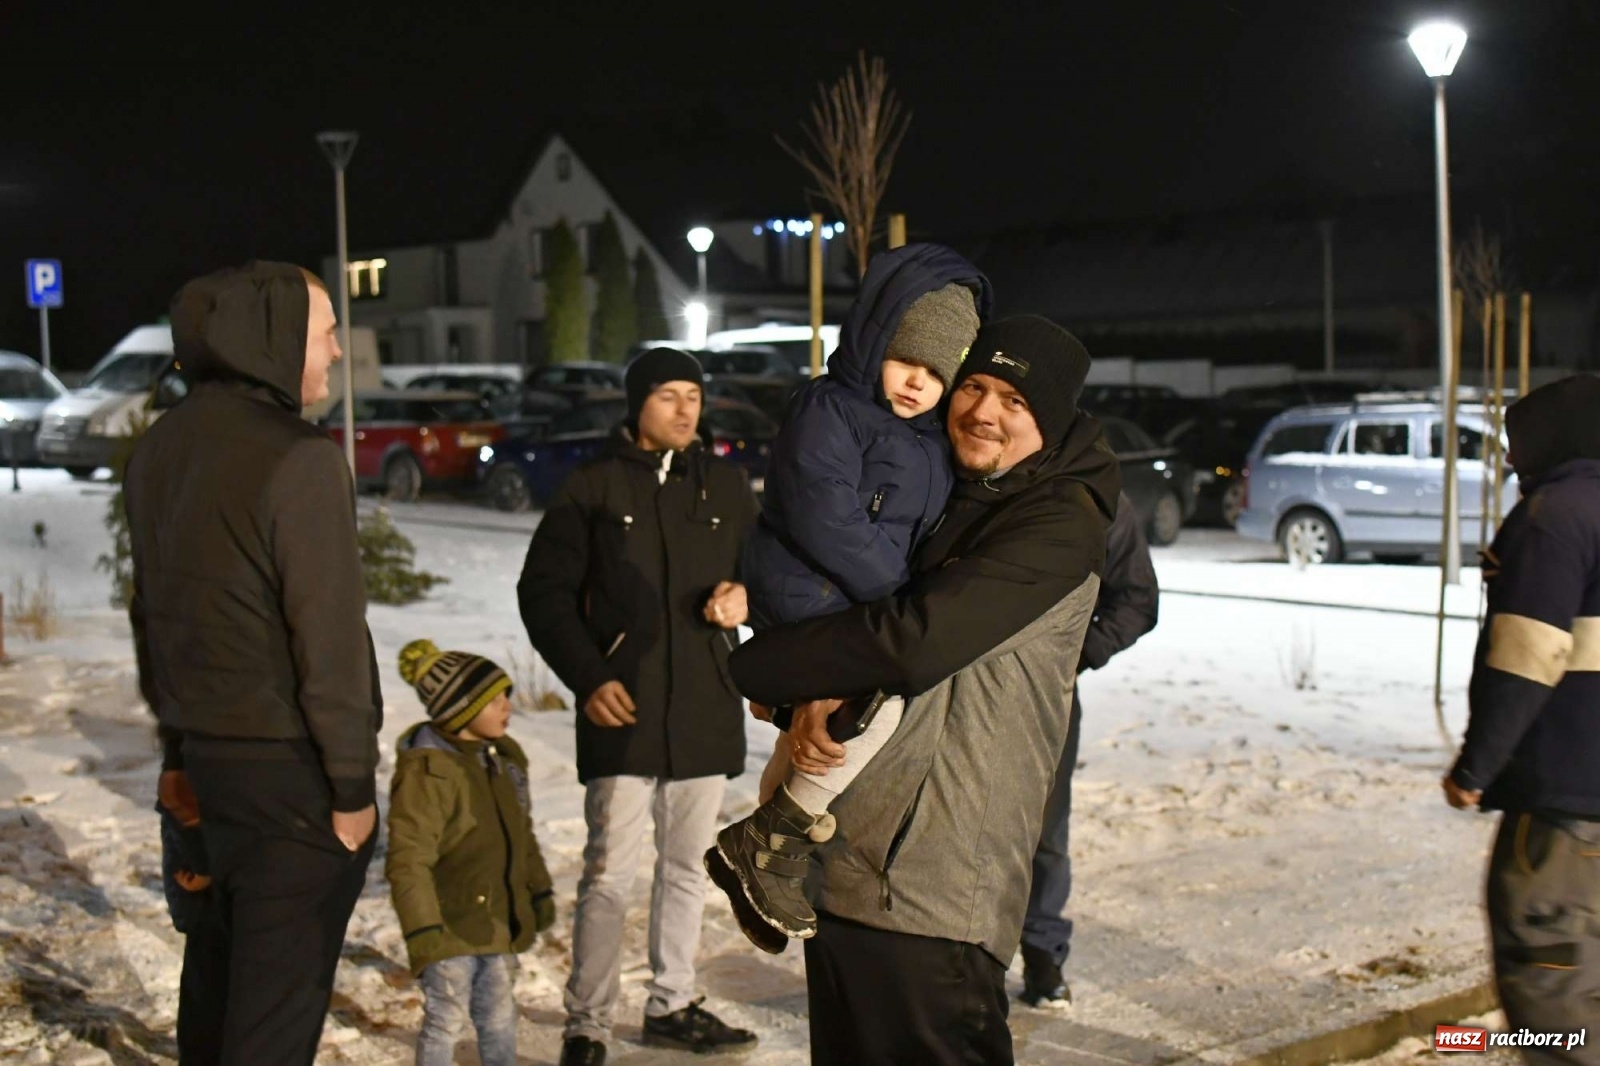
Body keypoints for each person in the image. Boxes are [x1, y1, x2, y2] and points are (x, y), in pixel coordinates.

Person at [731, 315, 1121, 1065]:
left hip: (935, 889)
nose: (983, 411)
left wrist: (763, 667)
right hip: (850, 869)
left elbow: (911, 639)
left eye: (1014, 400)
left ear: (1052, 418)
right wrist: (803, 699)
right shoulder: (951, 492)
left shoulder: (1057, 522)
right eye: (973, 386)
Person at [125, 261, 382, 1065]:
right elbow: (328, 637)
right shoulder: (299, 458)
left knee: (216, 990)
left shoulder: (161, 448)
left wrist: (176, 753)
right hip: (292, 780)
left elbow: (152, 616)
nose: (335, 351)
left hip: (205, 768)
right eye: (325, 332)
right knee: (272, 1019)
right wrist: (352, 789)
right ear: (274, 337)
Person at [707, 243, 990, 951]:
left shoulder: (927, 441)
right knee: (875, 705)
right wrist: (902, 597)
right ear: (875, 341)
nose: (919, 383)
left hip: (849, 597)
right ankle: (769, 842)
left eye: (938, 373)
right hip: (808, 589)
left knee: (821, 731)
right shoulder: (831, 407)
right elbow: (823, 514)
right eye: (907, 361)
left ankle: (765, 856)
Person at [517, 348, 761, 1066]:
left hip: (705, 705)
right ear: (637, 405)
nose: (685, 410)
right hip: (621, 707)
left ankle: (672, 1003)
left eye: (694, 396)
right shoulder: (592, 486)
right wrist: (589, 678)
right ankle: (587, 1023)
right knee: (608, 872)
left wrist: (747, 597)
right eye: (667, 396)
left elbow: (766, 571)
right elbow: (544, 593)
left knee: (687, 868)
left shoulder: (724, 485)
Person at [1443, 374, 1600, 1066]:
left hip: (1569, 793)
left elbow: (1528, 655)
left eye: (1518, 443)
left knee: (1549, 969)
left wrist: (1476, 766)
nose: (1510, 459)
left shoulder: (1554, 517)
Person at [386, 640, 556, 1066]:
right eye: (494, 700)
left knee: (499, 1015)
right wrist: (422, 927)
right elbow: (408, 859)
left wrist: (538, 890)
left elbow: (521, 834)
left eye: (506, 696)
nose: (508, 706)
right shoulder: (428, 774)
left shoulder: (502, 760)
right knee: (445, 1018)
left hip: (497, 919)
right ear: (461, 711)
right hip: (447, 924)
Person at [1019, 490, 1158, 1008]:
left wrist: (1079, 653)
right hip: (954, 689)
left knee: (1045, 832)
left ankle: (1042, 951)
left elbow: (1137, 598)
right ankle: (961, 964)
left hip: (1046, 696)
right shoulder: (961, 469)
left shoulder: (1096, 492)